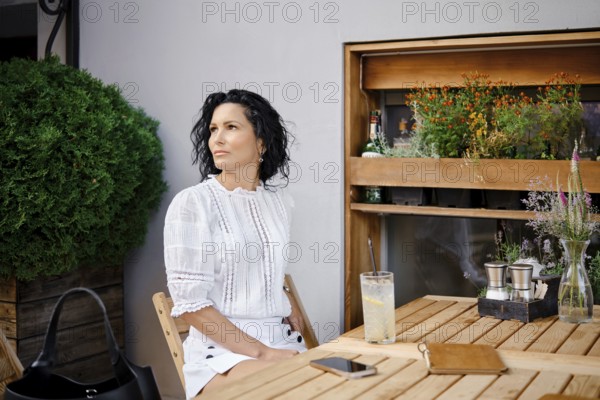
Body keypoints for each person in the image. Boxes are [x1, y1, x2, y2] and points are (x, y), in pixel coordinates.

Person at [163, 89, 306, 398]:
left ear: (261, 142)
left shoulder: (280, 203)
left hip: (282, 343)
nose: (217, 138)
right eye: (214, 129)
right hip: (222, 355)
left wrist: (281, 293)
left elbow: (259, 262)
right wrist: (263, 354)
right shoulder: (192, 203)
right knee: (298, 386)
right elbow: (192, 306)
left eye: (231, 127)